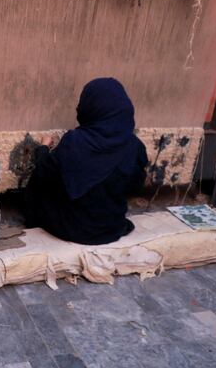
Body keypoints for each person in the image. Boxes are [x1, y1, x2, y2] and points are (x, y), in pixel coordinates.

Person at [24, 78, 148, 245]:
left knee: (41, 185)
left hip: (71, 228)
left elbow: (43, 174)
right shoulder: (135, 147)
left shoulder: (75, 142)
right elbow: (135, 186)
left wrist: (44, 149)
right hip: (110, 228)